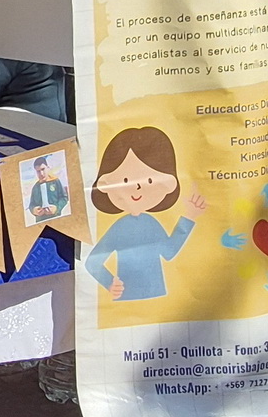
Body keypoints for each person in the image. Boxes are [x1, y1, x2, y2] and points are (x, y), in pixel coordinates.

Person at [86, 127, 208, 301]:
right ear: (105, 184)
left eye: (149, 180)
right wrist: (109, 283)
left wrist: (189, 216)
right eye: (126, 180)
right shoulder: (120, 227)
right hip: (126, 300)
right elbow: (93, 261)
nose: (137, 187)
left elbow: (168, 252)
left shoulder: (151, 223)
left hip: (158, 298)